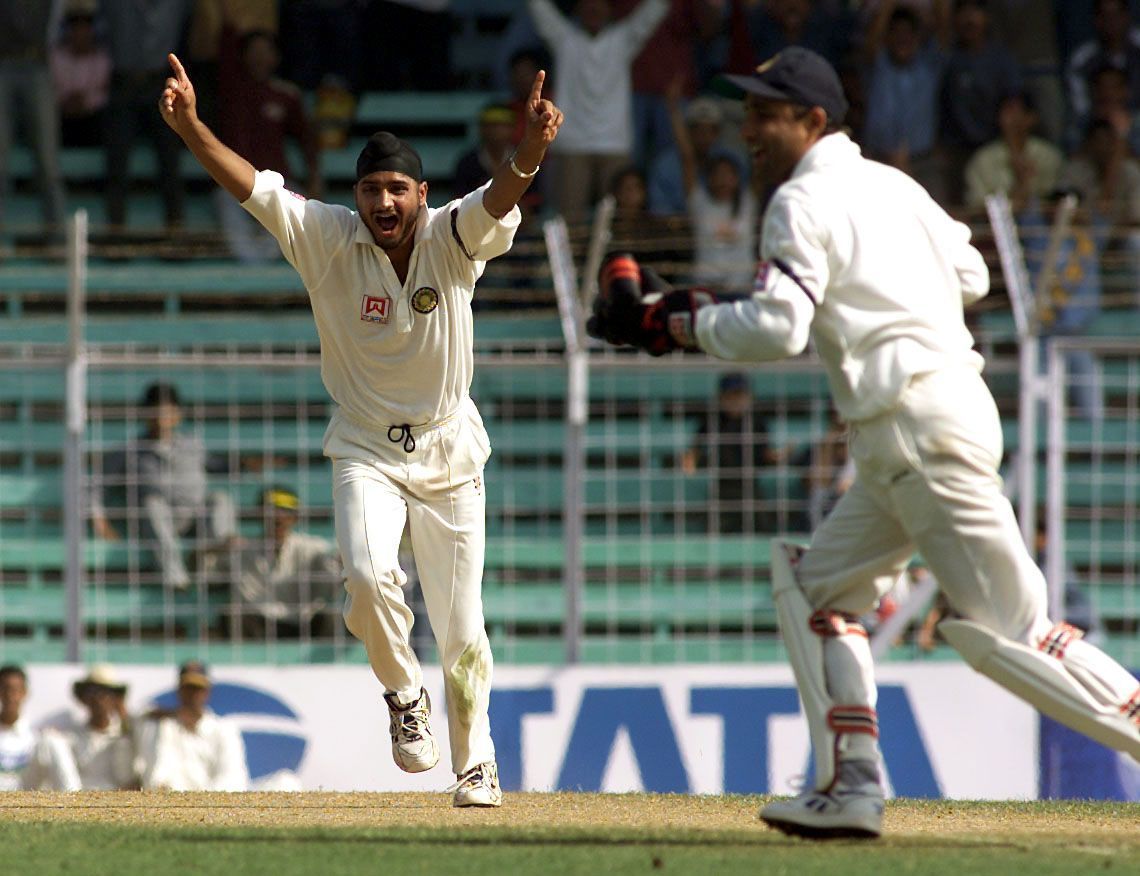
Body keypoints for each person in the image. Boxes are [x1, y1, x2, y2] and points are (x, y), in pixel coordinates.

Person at [585, 46, 1140, 839]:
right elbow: (973, 276)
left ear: (813, 119)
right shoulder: (895, 187)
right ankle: (852, 785)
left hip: (915, 430)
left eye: (764, 113)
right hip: (910, 436)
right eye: (747, 110)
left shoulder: (799, 202)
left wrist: (673, 322)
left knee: (1017, 631)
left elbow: (779, 325)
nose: (747, 128)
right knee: (817, 593)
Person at [158, 51, 563, 808]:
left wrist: (532, 147)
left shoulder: (452, 237)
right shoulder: (323, 235)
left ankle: (476, 765)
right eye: (372, 188)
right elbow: (248, 184)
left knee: (462, 624)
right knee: (368, 576)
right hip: (366, 445)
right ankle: (405, 698)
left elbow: (503, 191)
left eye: (398, 190)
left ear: (421, 194)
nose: (385, 202)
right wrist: (190, 127)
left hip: (448, 447)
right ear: (356, 195)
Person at [528, 0, 669, 223]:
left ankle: (618, 260)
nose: (593, 9)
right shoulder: (564, 38)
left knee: (620, 221)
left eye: (600, 4)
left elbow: (652, 12)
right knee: (569, 222)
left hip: (614, 143)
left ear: (609, 9)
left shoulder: (622, 39)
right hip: (572, 144)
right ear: (578, 8)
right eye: (587, 3)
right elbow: (539, 8)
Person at [90, 381, 238, 591]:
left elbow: (219, 465)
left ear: (178, 414)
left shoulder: (193, 445)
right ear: (144, 414)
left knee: (220, 500)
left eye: (167, 411)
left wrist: (246, 464)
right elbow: (95, 487)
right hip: (157, 523)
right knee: (152, 503)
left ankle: (213, 570)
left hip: (196, 519)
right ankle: (176, 579)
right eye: (155, 411)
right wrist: (100, 522)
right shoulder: (129, 451)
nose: (161, 418)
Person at [215, 27, 321, 263]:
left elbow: (306, 139)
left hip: (277, 182)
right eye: (254, 51)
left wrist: (314, 177)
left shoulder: (286, 94)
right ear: (243, 56)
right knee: (231, 216)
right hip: (233, 182)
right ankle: (253, 281)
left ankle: (264, 281)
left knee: (286, 224)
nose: (260, 57)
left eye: (266, 51)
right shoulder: (231, 91)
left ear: (276, 57)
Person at [102, 0, 192, 232]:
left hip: (162, 83)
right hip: (123, 82)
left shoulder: (176, 5)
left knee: (170, 160)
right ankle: (116, 233)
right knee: (117, 161)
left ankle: (175, 234)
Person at [225, 486, 342, 639]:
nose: (278, 517)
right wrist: (218, 547)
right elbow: (200, 565)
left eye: (285, 511)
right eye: (271, 511)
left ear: (295, 517)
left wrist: (341, 560)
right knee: (232, 615)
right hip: (260, 620)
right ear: (259, 515)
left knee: (334, 616)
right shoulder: (242, 550)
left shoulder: (311, 547)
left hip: (306, 621)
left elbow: (335, 566)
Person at [680, 372, 780, 534]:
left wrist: (776, 457)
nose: (736, 401)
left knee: (762, 525)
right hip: (722, 486)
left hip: (750, 484)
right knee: (714, 526)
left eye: (740, 396)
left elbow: (766, 453)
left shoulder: (756, 420)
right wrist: (690, 461)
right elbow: (695, 448)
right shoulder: (712, 419)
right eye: (731, 396)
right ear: (721, 398)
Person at [0, 0, 67, 237]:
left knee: (48, 162)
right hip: (3, 64)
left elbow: (57, 25)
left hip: (38, 64)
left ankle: (57, 240)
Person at [135, 661, 248, 791]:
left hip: (207, 805)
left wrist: (196, 802)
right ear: (179, 690)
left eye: (198, 688)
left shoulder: (223, 731)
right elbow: (133, 718)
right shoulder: (164, 725)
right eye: (188, 688)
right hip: (164, 805)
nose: (193, 694)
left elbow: (233, 779)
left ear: (207, 692)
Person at [27, 665, 136, 791]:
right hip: (78, 800)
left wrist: (123, 716)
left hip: (117, 799)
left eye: (105, 693)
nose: (98, 699)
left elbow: (129, 777)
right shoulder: (71, 735)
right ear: (84, 698)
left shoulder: (127, 734)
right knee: (49, 740)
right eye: (93, 693)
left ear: (115, 699)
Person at [963, 90, 1062, 211]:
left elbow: (1054, 200)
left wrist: (1024, 183)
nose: (1012, 119)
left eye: (1017, 112)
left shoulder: (1048, 156)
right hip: (993, 225)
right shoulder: (983, 159)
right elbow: (976, 205)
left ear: (1031, 118)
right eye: (1007, 112)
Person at [50, 0, 112, 149]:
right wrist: (67, 101)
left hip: (92, 118)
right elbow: (53, 89)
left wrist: (85, 102)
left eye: (84, 30)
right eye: (76, 29)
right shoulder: (57, 57)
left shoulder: (102, 58)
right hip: (64, 116)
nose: (80, 35)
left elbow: (104, 92)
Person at [0, 665, 36, 791]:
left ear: (24, 693)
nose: (10, 696)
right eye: (5, 689)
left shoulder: (36, 735)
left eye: (15, 690)